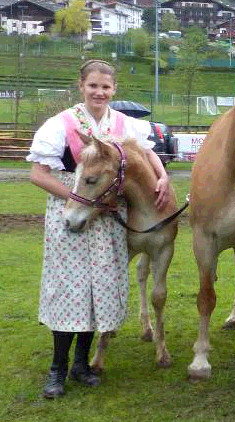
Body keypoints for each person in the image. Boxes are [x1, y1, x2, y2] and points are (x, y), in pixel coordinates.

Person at [27, 59, 170, 399]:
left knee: (97, 293)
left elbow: (147, 154)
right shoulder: (60, 124)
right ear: (82, 86)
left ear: (114, 89)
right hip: (71, 212)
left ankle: (81, 365)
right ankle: (57, 370)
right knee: (68, 291)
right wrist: (82, 199)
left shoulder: (123, 124)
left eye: (105, 87)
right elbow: (38, 174)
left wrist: (162, 175)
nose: (99, 92)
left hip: (108, 219)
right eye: (93, 86)